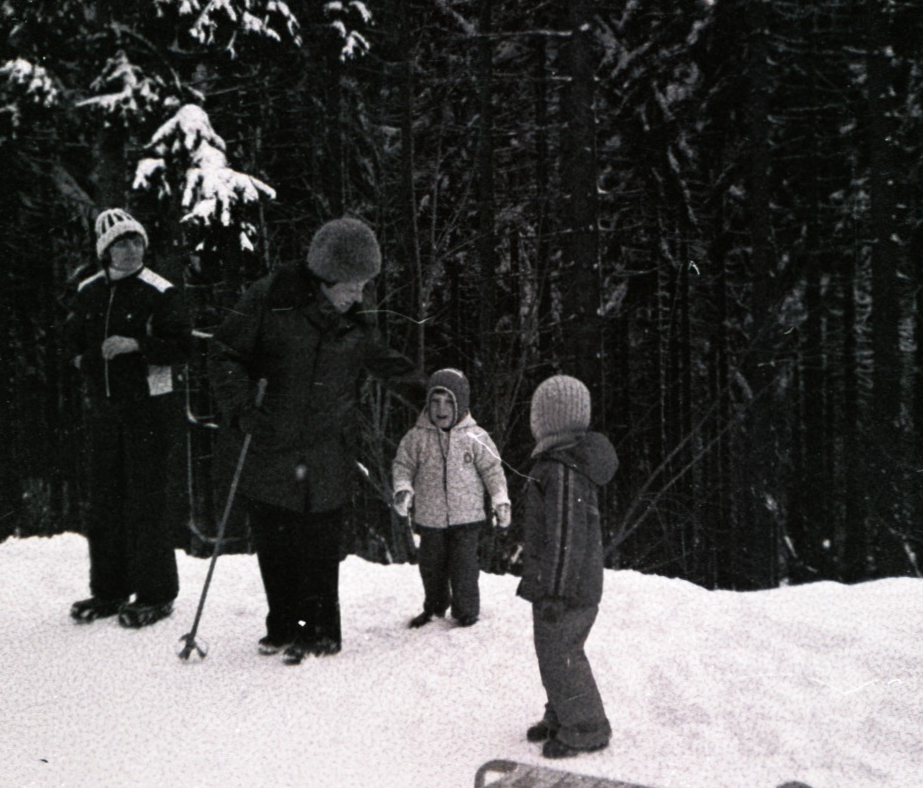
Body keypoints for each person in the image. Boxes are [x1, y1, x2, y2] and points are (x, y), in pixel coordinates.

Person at [209, 216, 424, 664]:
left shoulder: (352, 321)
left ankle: (321, 631)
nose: (360, 295)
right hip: (269, 441)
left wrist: (433, 392)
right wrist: (243, 407)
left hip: (327, 448)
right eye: (353, 285)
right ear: (326, 278)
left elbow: (385, 361)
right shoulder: (272, 298)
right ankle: (284, 625)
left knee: (321, 545)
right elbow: (225, 352)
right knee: (275, 539)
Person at [65, 208, 192, 629]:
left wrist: (136, 344)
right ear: (105, 251)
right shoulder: (88, 290)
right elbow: (72, 341)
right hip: (104, 410)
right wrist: (83, 360)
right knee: (104, 503)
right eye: (121, 242)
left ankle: (156, 593)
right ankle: (109, 589)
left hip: (149, 411)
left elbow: (183, 346)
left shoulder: (161, 291)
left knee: (146, 501)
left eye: (136, 240)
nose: (131, 248)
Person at [517, 375, 617, 759]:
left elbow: (565, 537)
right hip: (558, 584)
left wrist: (556, 590)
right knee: (553, 651)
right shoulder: (558, 465)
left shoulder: (561, 470)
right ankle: (562, 713)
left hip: (567, 588)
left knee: (563, 653)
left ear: (549, 420)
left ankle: (586, 726)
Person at [391, 368, 510, 629]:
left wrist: (500, 499)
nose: (441, 408)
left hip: (467, 518)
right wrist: (403, 489)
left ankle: (466, 611)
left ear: (461, 405)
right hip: (430, 518)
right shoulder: (416, 437)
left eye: (448, 402)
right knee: (431, 567)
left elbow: (493, 470)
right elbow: (403, 466)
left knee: (464, 568)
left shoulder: (476, 437)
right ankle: (434, 608)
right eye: (435, 401)